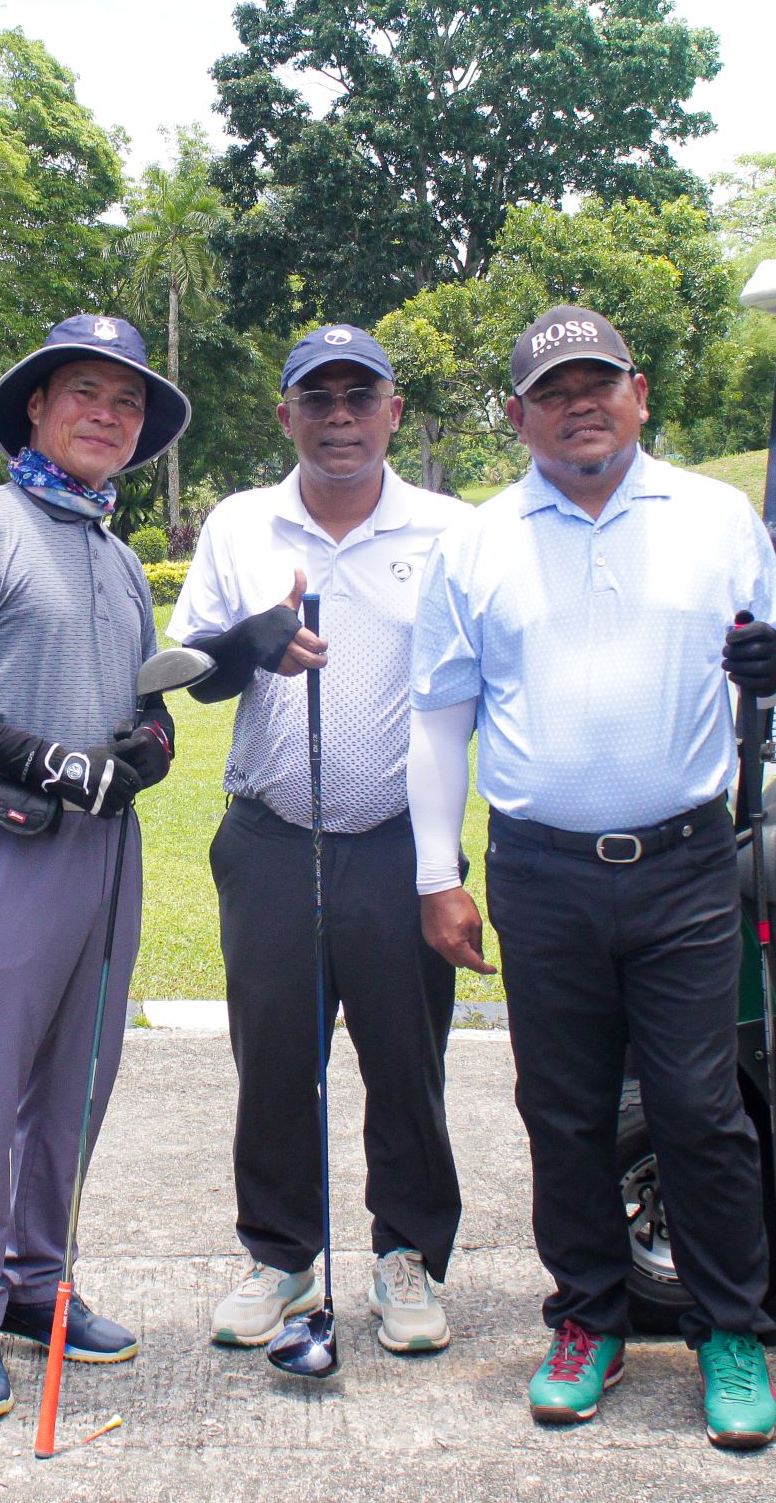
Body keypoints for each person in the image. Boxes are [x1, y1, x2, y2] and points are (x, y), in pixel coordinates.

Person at [405, 305, 776, 1448]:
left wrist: (773, 666)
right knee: (564, 1108)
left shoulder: (717, 517)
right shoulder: (477, 542)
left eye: (599, 383)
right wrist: (442, 873)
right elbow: (441, 717)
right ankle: (588, 1316)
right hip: (541, 870)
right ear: (521, 414)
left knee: (698, 1106)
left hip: (682, 863)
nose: (580, 405)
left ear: (638, 392)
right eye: (552, 389)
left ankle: (732, 1332)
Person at [0, 313, 190, 1420]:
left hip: (107, 852)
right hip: (4, 836)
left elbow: (145, 706)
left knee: (79, 1080)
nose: (106, 416)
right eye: (84, 393)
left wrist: (145, 751)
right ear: (36, 406)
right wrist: (49, 763)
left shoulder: (116, 551)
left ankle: (34, 1280)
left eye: (126, 402)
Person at [169, 324, 470, 1357]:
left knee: (406, 1059)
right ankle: (282, 1253)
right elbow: (195, 675)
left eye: (360, 396)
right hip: (269, 832)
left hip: (396, 840)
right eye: (318, 398)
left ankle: (408, 1257)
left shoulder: (448, 530)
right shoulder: (241, 524)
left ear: (393, 411)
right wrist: (251, 643)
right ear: (286, 412)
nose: (339, 417)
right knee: (275, 1061)